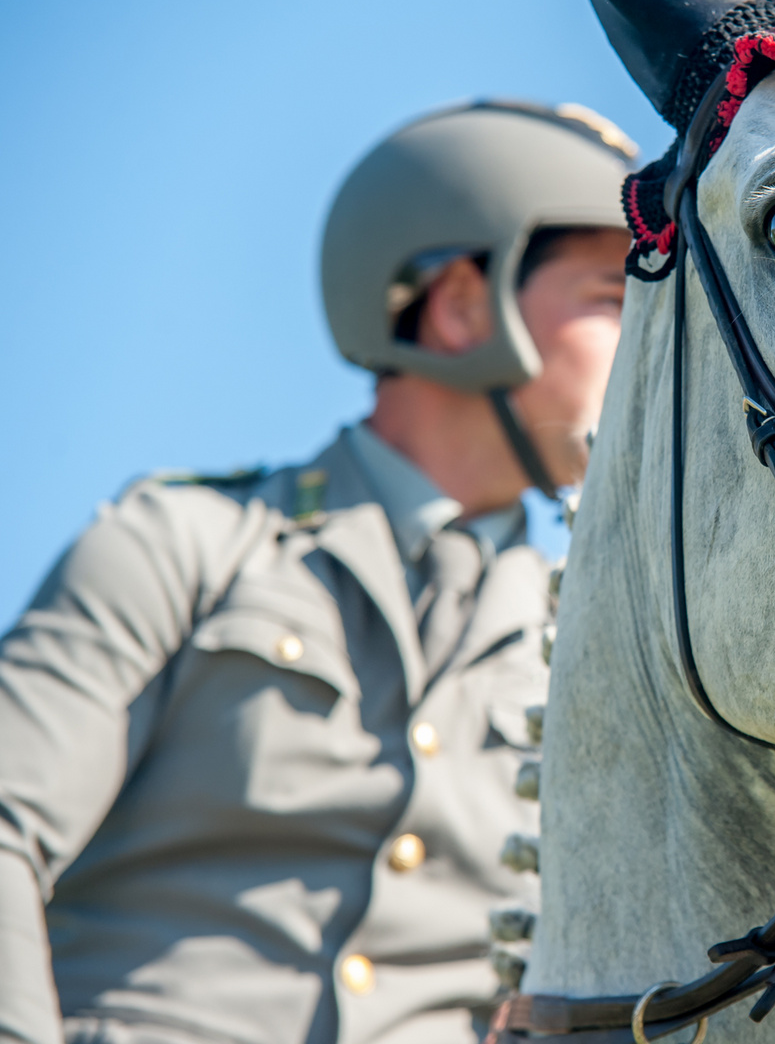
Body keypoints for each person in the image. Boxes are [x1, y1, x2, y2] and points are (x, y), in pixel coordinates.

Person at [0, 100, 634, 1044]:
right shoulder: (184, 544)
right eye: (614, 301)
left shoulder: (589, 654)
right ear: (464, 304)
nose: (654, 354)